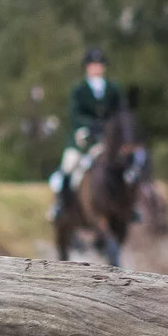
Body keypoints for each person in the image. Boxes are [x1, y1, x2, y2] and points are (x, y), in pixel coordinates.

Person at [50, 48, 124, 219]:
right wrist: (92, 125)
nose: (96, 68)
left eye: (99, 65)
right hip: (83, 138)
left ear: (104, 67)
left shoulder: (114, 89)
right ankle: (60, 205)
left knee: (127, 168)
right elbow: (75, 115)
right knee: (68, 167)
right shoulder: (79, 90)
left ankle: (130, 207)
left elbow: (120, 112)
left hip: (108, 140)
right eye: (93, 65)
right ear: (87, 67)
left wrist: (111, 127)